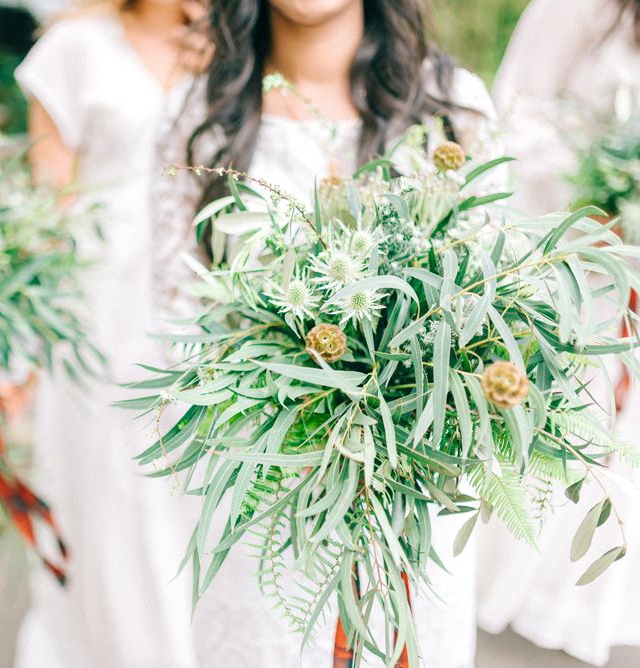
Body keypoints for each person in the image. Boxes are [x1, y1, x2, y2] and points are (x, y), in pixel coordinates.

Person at [154, 1, 506, 666]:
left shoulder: (452, 104)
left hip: (413, 494)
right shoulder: (196, 113)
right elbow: (177, 316)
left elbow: (487, 311)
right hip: (262, 499)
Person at [477, 1, 640, 665]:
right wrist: (599, 185)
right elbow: (518, 112)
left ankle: (611, 602)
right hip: (587, 271)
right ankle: (523, 595)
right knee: (575, 431)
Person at [13, 1, 210, 666]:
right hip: (99, 302)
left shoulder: (231, 51)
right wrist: (26, 344)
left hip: (202, 298)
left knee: (189, 488)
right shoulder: (74, 48)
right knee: (111, 485)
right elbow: (51, 205)